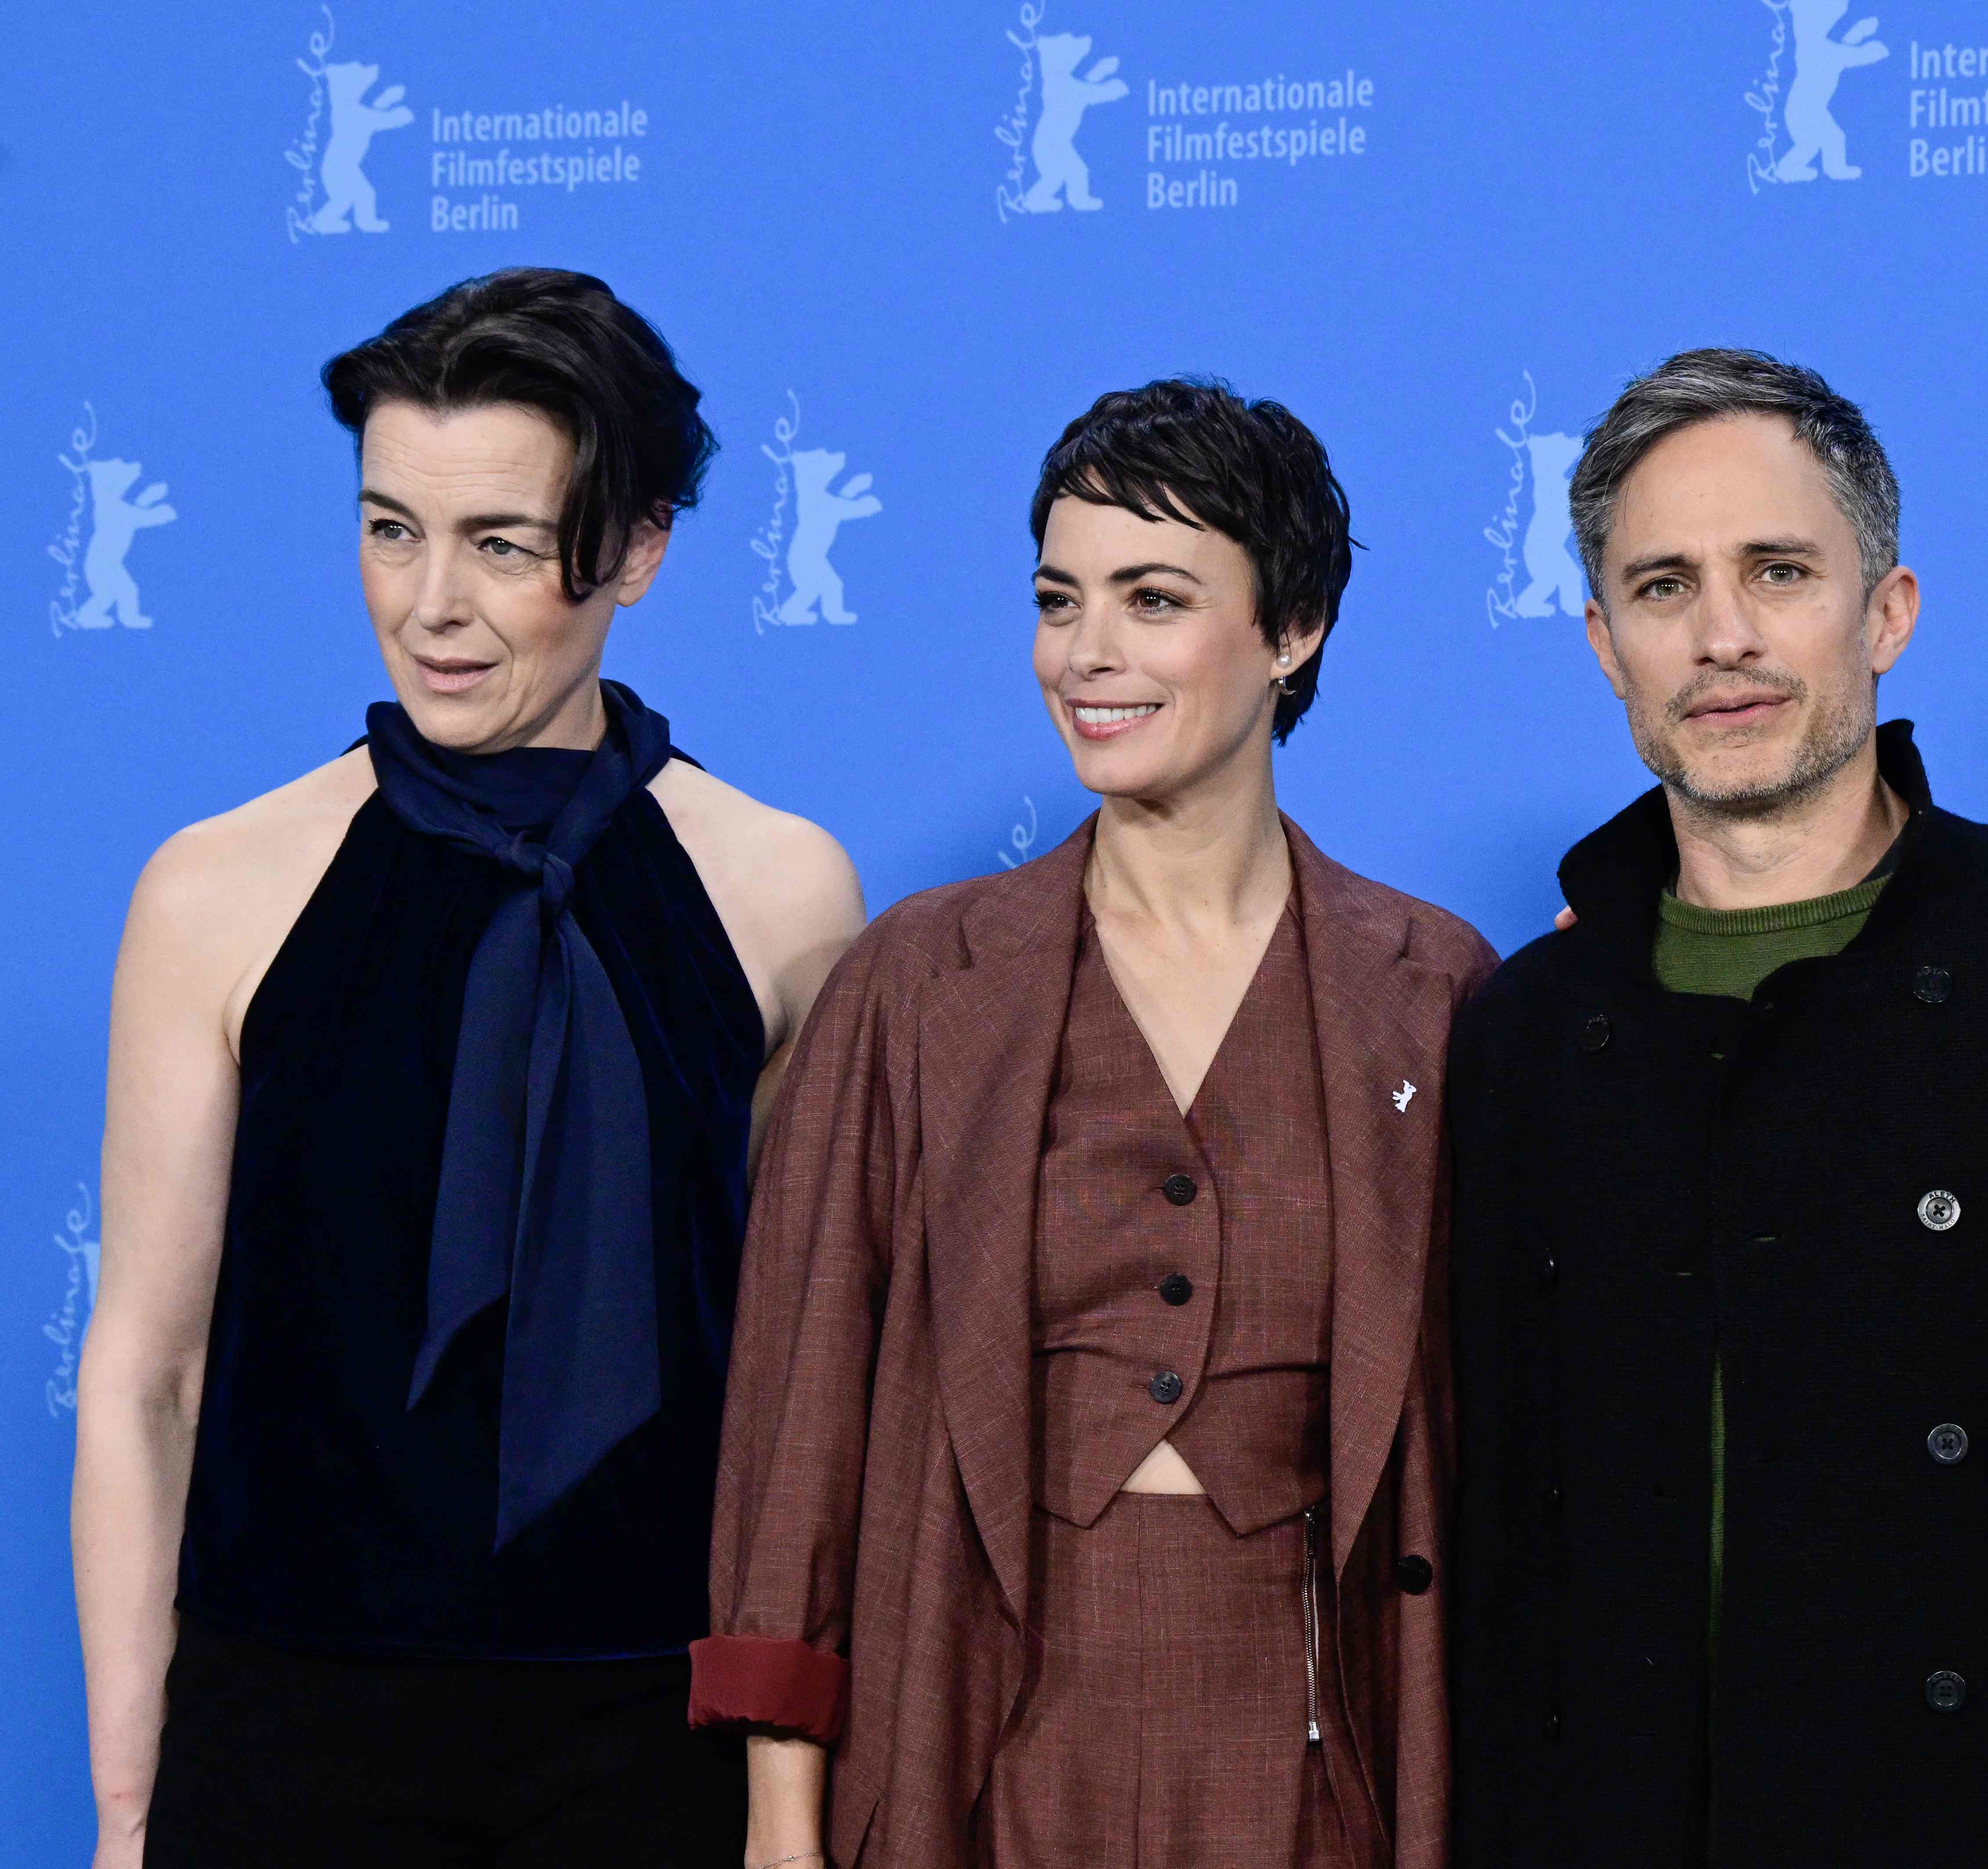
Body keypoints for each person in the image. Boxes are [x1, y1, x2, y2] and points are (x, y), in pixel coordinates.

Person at [73, 267, 864, 1868]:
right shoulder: (219, 889)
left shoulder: (780, 891)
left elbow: (801, 1408)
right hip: (283, 1732)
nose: (429, 604)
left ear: (639, 548)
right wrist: (127, 1811)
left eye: (500, 545)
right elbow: (145, 1380)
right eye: (389, 529)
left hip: (649, 1739)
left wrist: (784, 1798)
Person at [696, 379, 1492, 1869]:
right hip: (976, 1742)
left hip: (1321, 1759)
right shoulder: (917, 983)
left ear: (1293, 630)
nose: (1090, 653)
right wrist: (781, 1824)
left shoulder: (1437, 990)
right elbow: (798, 1422)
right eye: (1062, 600)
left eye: (1154, 597)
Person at [1449, 349, 1988, 1865]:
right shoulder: (1528, 1031)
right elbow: (1496, 1542)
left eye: (1778, 571)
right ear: (1603, 643)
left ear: (1887, 612)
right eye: (1665, 586)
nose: (1725, 636)